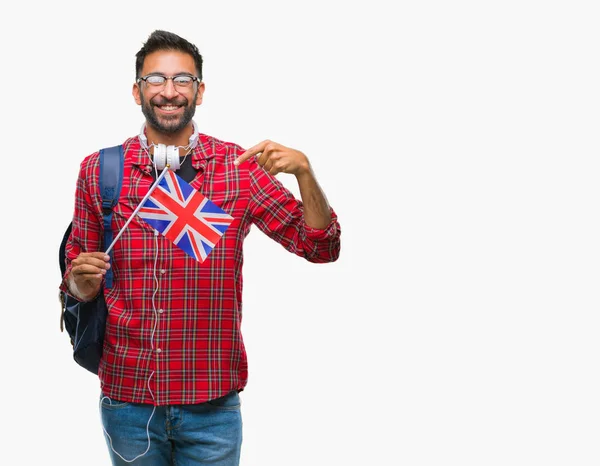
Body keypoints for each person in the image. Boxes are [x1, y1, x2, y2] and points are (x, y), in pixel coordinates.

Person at [60, 29, 341, 465]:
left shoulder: (238, 168)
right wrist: (79, 282)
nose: (169, 92)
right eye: (156, 79)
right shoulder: (100, 170)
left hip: (212, 403)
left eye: (182, 80)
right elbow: (74, 284)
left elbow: (319, 246)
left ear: (200, 91)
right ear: (137, 91)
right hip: (128, 402)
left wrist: (304, 172)